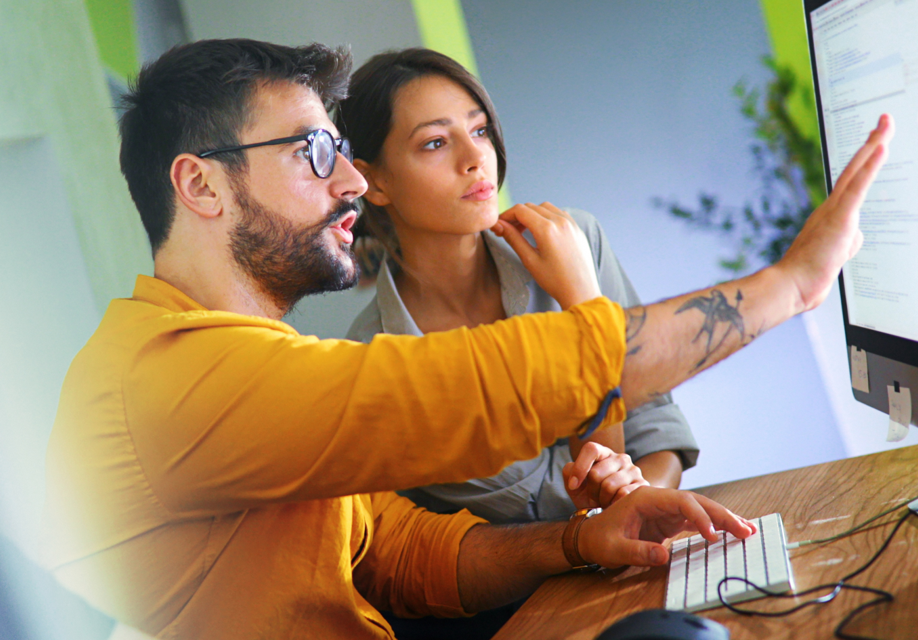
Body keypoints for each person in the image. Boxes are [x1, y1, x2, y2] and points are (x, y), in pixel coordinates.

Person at [41, 38, 892, 640]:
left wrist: (578, 540)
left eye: (340, 150)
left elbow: (401, 551)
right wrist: (790, 285)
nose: (348, 181)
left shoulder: (264, 367)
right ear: (200, 185)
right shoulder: (164, 378)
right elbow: (470, 390)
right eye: (312, 152)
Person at [341, 49, 694, 525]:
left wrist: (639, 500)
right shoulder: (377, 365)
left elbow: (656, 433)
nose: (475, 159)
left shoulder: (576, 241)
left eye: (480, 130)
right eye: (435, 143)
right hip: (536, 597)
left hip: (644, 552)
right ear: (372, 181)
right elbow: (574, 500)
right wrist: (584, 306)